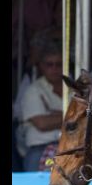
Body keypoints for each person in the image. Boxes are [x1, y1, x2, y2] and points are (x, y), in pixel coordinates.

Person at [20, 42, 63, 171]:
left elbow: (84, 118)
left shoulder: (73, 88)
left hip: (69, 149)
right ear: (41, 66)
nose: (54, 68)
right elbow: (42, 123)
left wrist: (53, 115)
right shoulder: (33, 90)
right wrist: (70, 116)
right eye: (49, 64)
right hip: (40, 149)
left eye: (59, 64)